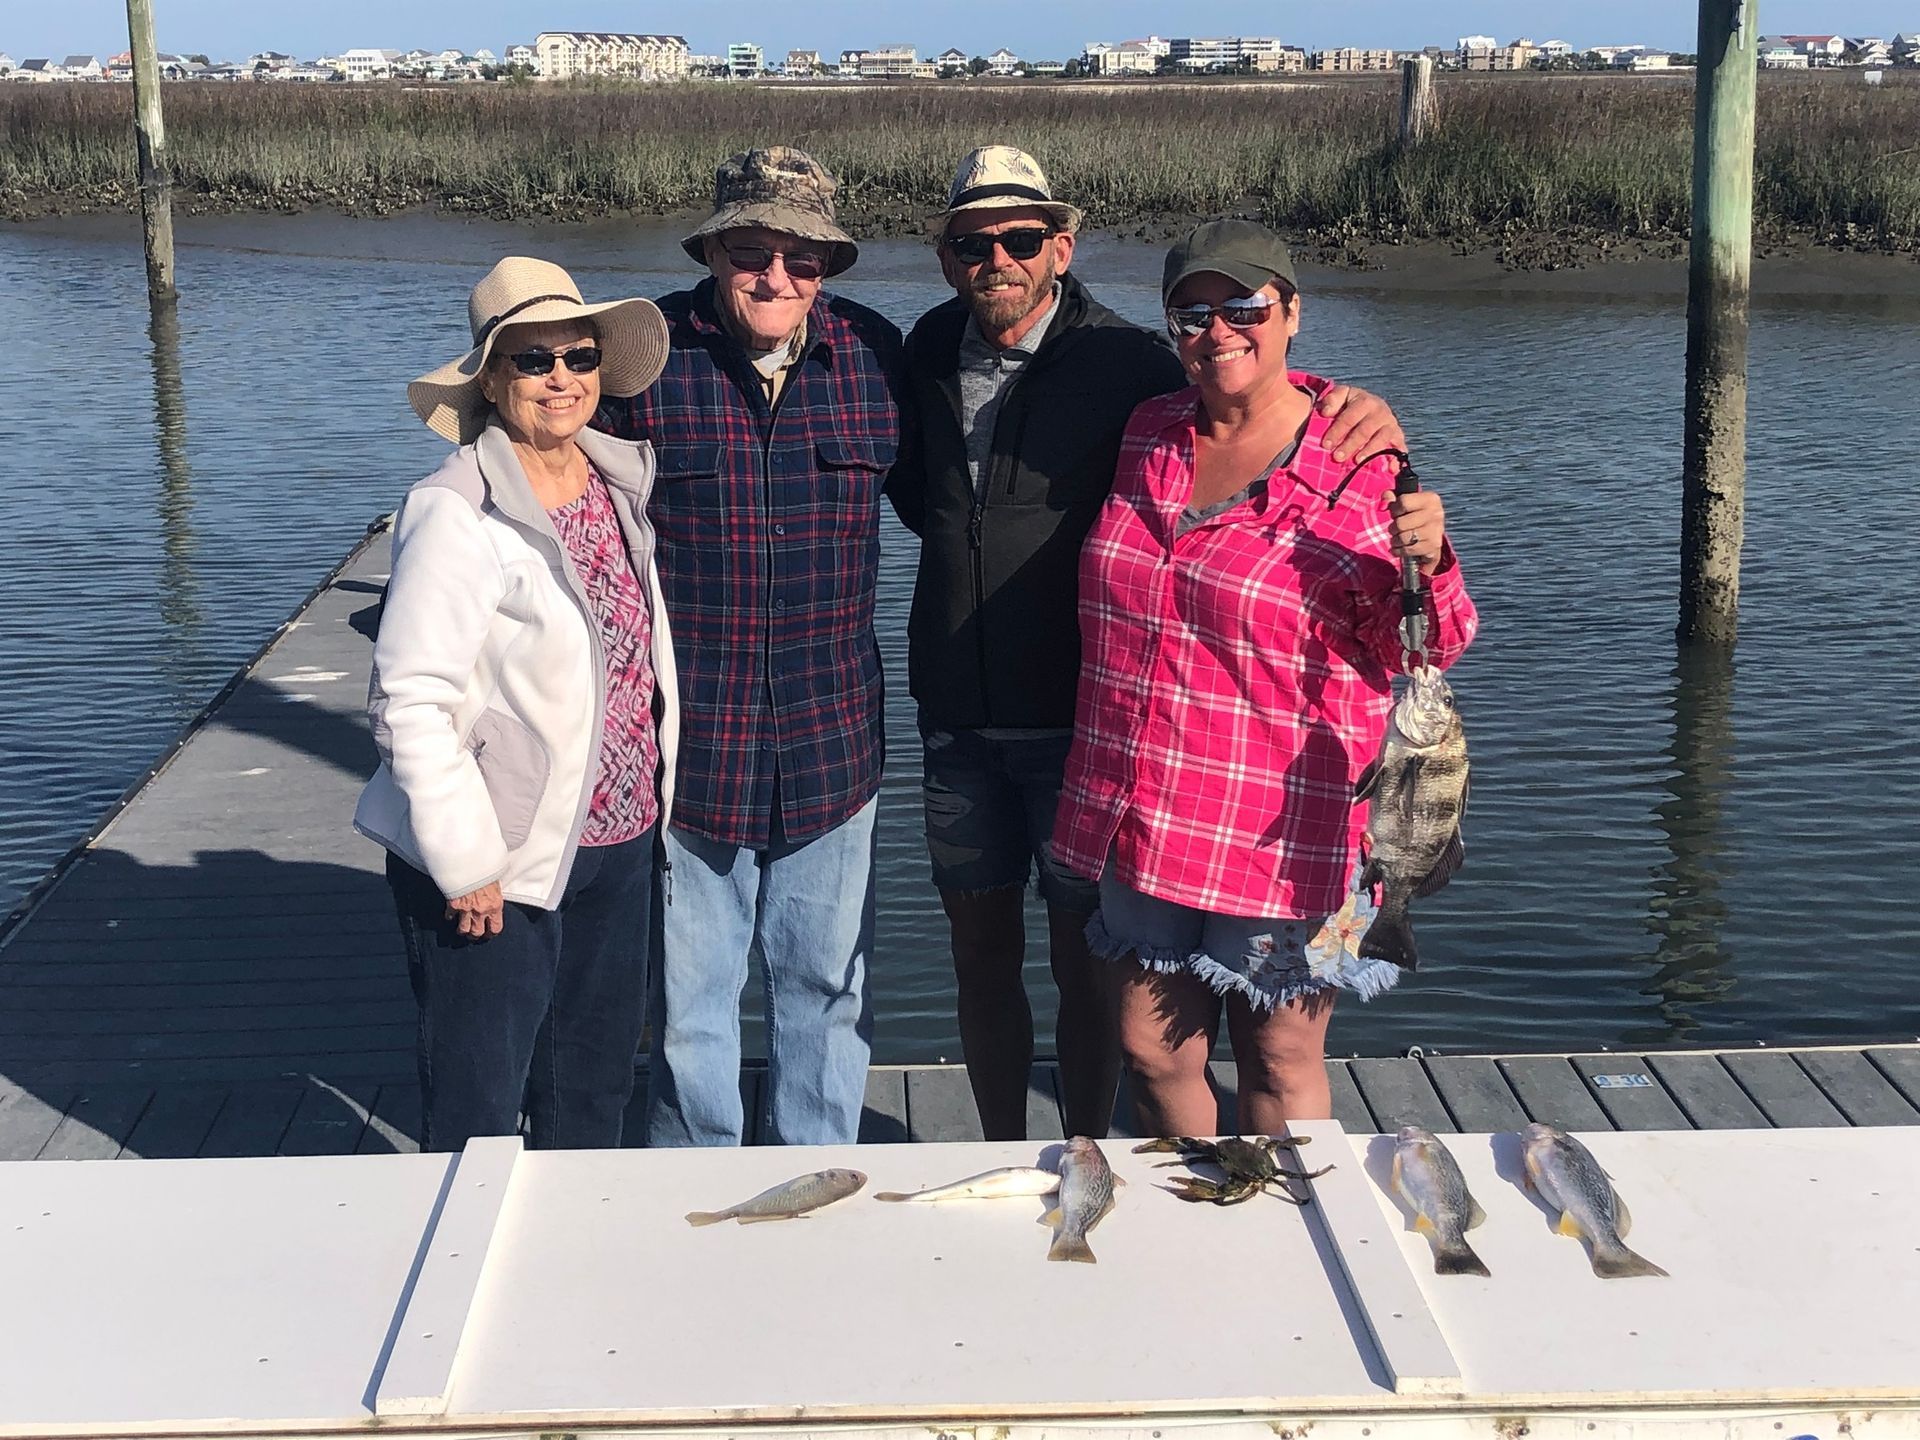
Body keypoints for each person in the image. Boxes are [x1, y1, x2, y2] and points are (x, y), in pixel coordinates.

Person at [888, 148, 1409, 1140]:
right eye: (972, 242)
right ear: (947, 256)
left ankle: (1085, 1151)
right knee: (982, 961)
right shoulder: (921, 350)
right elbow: (921, 498)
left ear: (1061, 245)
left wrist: (1364, 414)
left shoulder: (1130, 365)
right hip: (956, 720)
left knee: (1107, 987)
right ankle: (1011, 1150)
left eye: (1020, 238)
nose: (996, 258)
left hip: (1090, 735)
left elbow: (1255, 399)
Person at [1050, 220, 1479, 1137]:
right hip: (1145, 800)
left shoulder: (1358, 459)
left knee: (1278, 1057)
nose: (1219, 330)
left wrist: (1432, 556)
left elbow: (1433, 641)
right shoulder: (1149, 430)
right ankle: (1197, 1225)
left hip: (1286, 819)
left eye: (1245, 306)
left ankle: (1295, 1236)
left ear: (1291, 314)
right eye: (1193, 313)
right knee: (1150, 1047)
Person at [594, 147, 903, 1147]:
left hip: (835, 743)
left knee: (825, 991)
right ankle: (695, 1193)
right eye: (751, 251)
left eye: (801, 257)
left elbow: (971, 493)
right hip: (693, 754)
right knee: (690, 1010)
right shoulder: (638, 360)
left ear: (828, 268)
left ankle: (823, 1183)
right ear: (713, 252)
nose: (776, 276)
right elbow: (537, 466)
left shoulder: (876, 356)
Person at [355, 256, 679, 1152]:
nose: (563, 379)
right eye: (535, 361)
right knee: (478, 1107)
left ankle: (572, 1275)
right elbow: (407, 700)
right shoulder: (453, 509)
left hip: (615, 839)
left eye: (579, 355)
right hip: (497, 860)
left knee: (595, 1085)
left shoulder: (617, 482)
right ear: (492, 380)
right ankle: (462, 1277)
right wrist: (465, 861)